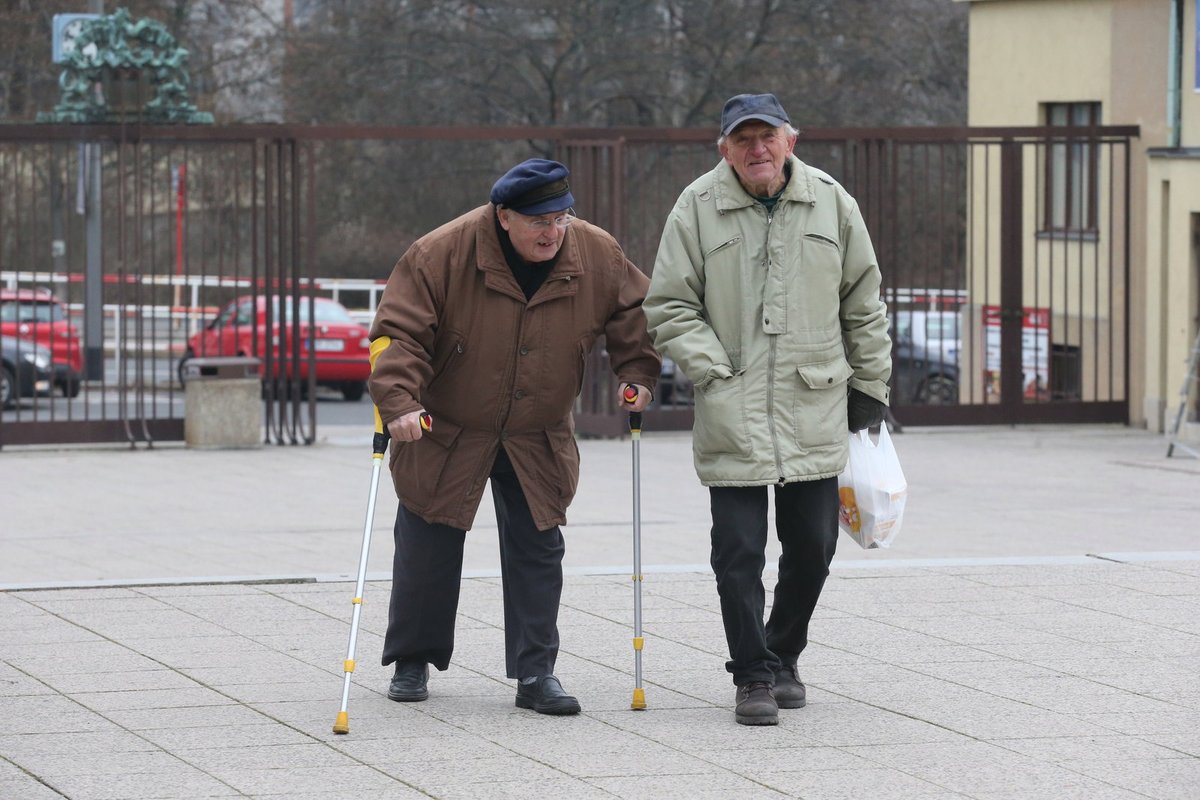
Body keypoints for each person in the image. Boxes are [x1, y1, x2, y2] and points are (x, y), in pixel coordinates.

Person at [368, 158, 660, 716]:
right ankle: (413, 657)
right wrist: (400, 401)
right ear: (504, 217)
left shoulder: (597, 253)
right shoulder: (440, 253)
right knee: (429, 537)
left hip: (538, 429)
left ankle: (535, 672)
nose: (553, 232)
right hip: (449, 424)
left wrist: (637, 376)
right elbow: (398, 333)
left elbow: (634, 316)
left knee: (538, 547)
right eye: (538, 221)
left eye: (561, 218)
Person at [643, 93, 892, 726]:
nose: (757, 149)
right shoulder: (696, 208)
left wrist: (871, 389)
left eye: (768, 137)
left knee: (812, 544)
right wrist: (713, 370)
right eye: (743, 139)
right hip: (734, 408)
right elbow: (669, 305)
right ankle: (752, 676)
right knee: (738, 552)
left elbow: (862, 301)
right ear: (724, 149)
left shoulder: (833, 203)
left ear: (791, 141)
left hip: (815, 405)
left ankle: (783, 653)